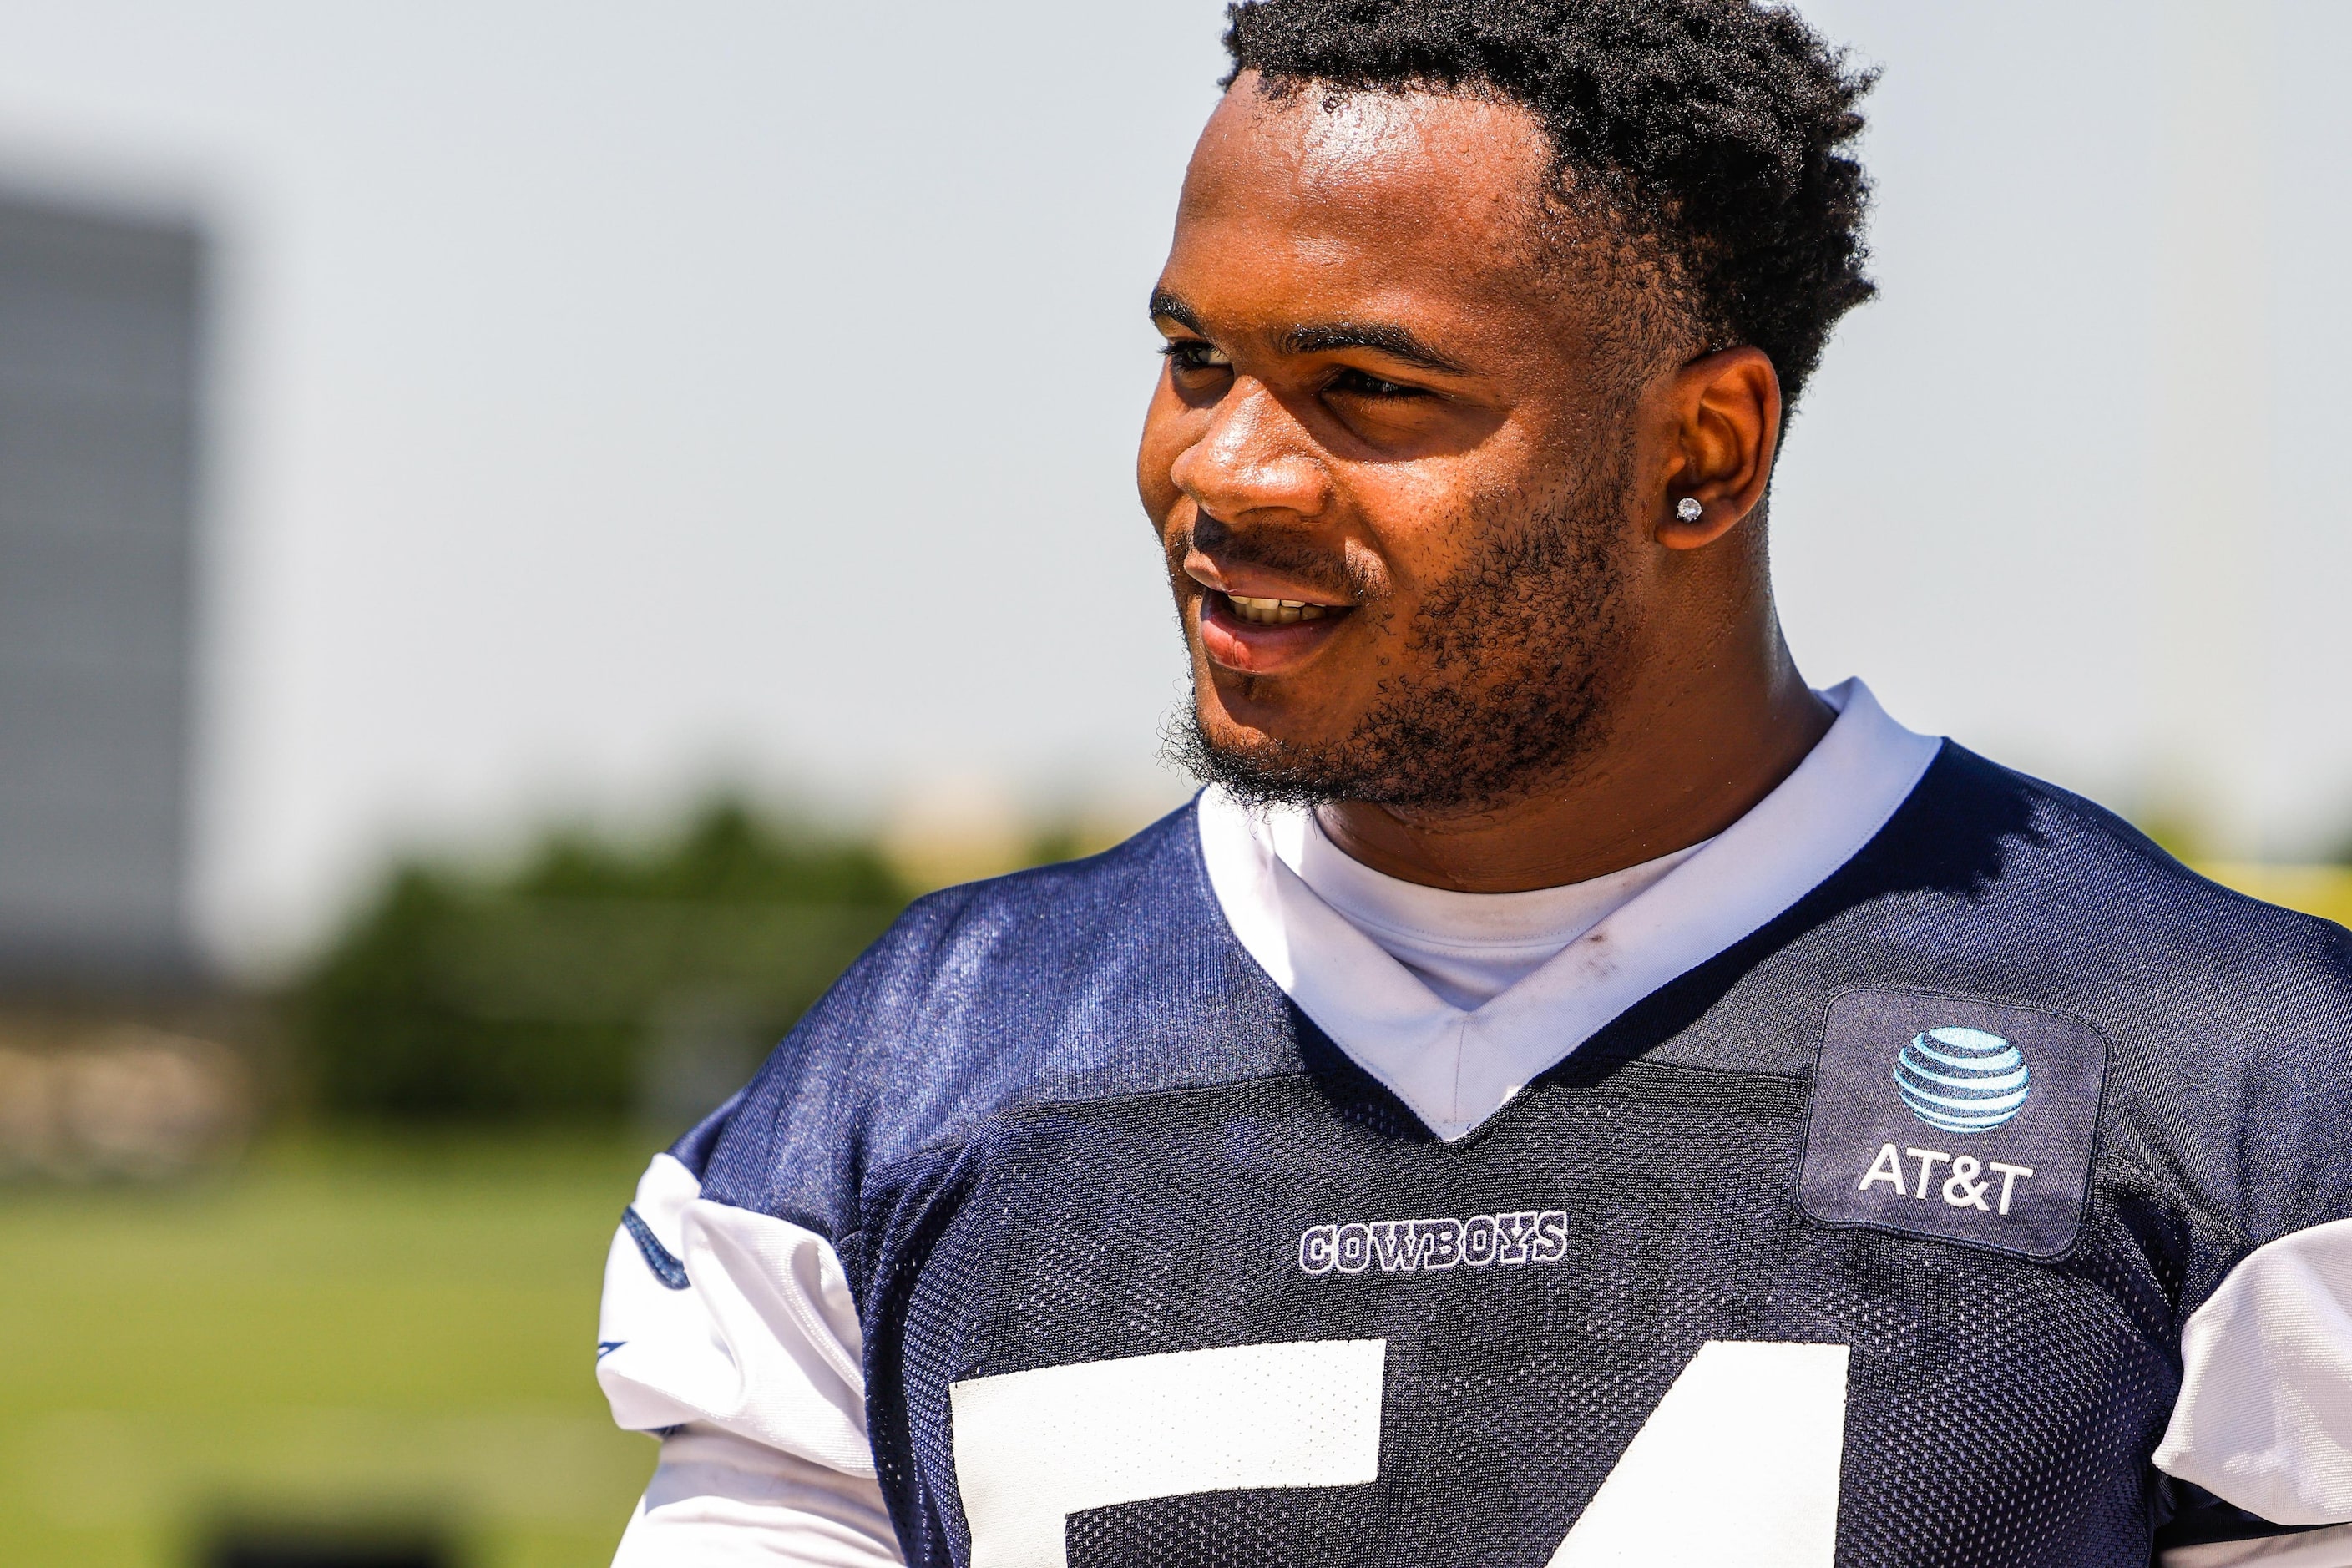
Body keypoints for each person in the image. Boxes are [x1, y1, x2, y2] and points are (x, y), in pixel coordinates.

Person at [594, 3, 2352, 1564]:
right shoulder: (912, 1075)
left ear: (1702, 450)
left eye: (1362, 388)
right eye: (1195, 361)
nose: (1225, 471)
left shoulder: (2236, 1080)